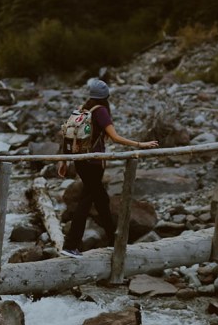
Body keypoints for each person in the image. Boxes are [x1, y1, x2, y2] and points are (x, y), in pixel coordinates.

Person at [57, 78, 159, 258]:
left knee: (101, 200)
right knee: (86, 202)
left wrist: (64, 161)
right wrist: (139, 144)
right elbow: (115, 137)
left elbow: (67, 135)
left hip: (80, 161)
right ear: (106, 96)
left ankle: (114, 239)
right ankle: (70, 245)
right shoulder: (101, 111)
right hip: (95, 163)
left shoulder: (83, 108)